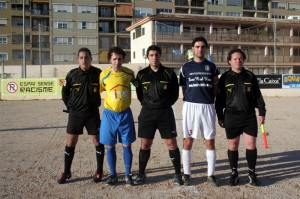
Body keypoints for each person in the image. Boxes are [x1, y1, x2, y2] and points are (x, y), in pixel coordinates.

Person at [215, 48, 266, 186]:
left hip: (249, 116)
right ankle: (234, 173)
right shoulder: (224, 78)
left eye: (240, 58)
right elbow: (219, 100)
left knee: (251, 145)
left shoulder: (250, 76)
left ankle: (251, 173)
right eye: (235, 58)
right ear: (229, 61)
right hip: (231, 116)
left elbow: (258, 96)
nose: (238, 60)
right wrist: (220, 117)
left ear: (243, 60)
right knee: (233, 145)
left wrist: (262, 112)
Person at [134, 45, 182, 185]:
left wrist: (164, 104)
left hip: (165, 113)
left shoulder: (169, 73)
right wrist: (149, 105)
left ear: (161, 56)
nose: (154, 57)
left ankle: (177, 174)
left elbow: (174, 94)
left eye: (157, 55)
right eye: (151, 55)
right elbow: (139, 95)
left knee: (171, 143)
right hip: (147, 113)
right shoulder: (141, 74)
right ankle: (141, 174)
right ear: (148, 57)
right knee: (145, 144)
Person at [57, 47, 104, 184]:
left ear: (91, 59)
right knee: (71, 142)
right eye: (81, 57)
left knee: (97, 141)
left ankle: (99, 171)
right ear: (78, 59)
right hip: (75, 114)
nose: (84, 60)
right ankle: (66, 172)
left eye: (87, 57)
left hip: (92, 113)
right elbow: (64, 93)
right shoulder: (71, 74)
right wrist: (70, 108)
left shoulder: (98, 73)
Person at [179, 36, 220, 186]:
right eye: (197, 46)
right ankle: (187, 174)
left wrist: (209, 98)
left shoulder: (212, 67)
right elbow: (184, 87)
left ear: (206, 49)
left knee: (209, 141)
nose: (200, 49)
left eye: (202, 47)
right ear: (192, 49)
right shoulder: (185, 67)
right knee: (188, 140)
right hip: (190, 106)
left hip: (208, 106)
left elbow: (216, 87)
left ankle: (210, 175)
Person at [99, 47, 136, 186]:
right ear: (110, 60)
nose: (117, 62)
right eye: (114, 59)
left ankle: (128, 175)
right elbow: (101, 89)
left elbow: (136, 85)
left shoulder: (129, 73)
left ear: (123, 60)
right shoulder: (103, 75)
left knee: (127, 145)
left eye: (119, 59)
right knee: (110, 146)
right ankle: (113, 175)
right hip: (109, 114)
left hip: (125, 113)